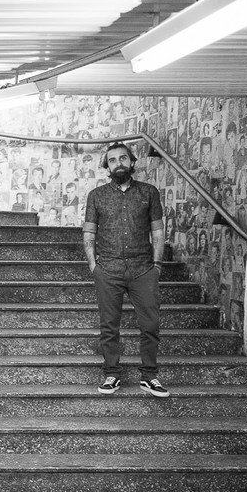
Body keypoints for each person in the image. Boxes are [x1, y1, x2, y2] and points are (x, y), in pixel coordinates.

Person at [82, 142, 169, 398]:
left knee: (151, 324)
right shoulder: (96, 196)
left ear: (131, 162)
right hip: (108, 269)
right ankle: (112, 374)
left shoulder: (149, 192)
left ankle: (149, 376)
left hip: (143, 269)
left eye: (122, 158)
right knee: (109, 326)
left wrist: (157, 265)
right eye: (112, 160)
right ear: (107, 167)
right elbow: (89, 233)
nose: (118, 163)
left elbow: (158, 231)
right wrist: (93, 265)